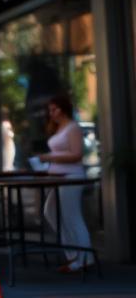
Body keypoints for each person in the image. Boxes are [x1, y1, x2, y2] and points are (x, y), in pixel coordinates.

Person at [40, 93, 93, 273]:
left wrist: (50, 157)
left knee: (72, 216)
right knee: (51, 212)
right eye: (50, 110)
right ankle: (73, 256)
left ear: (63, 109)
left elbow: (77, 154)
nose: (52, 113)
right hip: (57, 177)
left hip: (71, 177)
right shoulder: (59, 128)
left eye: (54, 109)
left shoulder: (73, 128)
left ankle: (85, 259)